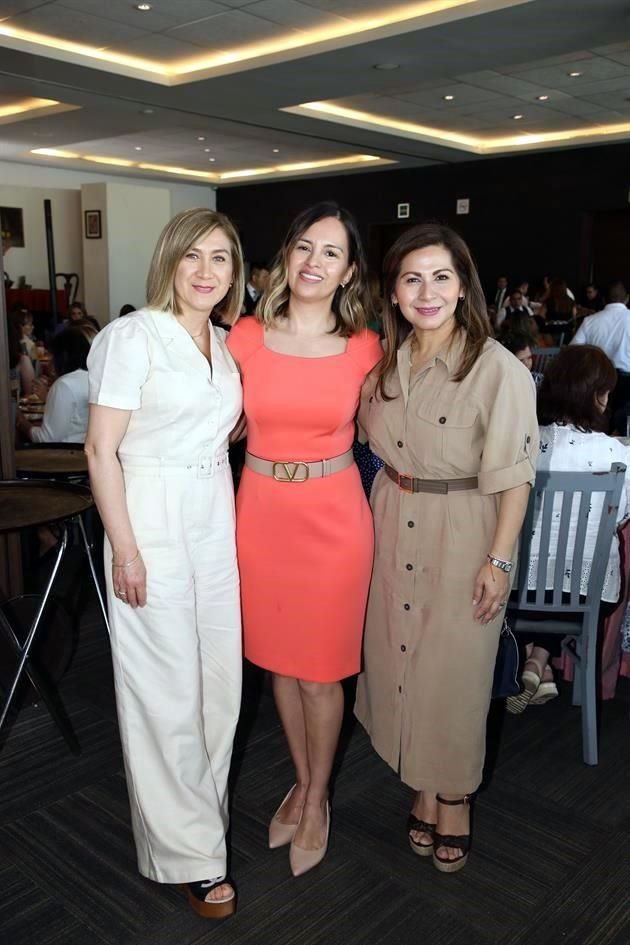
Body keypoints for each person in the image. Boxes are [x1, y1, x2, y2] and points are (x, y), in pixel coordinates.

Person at [354, 223, 538, 874]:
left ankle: (454, 794)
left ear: (463, 287)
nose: (426, 291)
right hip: (391, 516)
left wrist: (499, 559)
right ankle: (422, 781)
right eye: (412, 278)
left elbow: (516, 475)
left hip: (464, 526)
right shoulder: (383, 363)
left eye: (440, 276)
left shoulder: (497, 368)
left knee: (453, 670)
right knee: (402, 660)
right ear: (395, 293)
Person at [84, 208, 245, 919]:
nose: (208, 272)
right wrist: (125, 546)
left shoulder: (225, 342)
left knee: (219, 681)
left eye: (222, 259)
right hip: (149, 510)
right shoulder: (132, 335)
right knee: (164, 688)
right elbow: (99, 450)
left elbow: (223, 424)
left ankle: (201, 818)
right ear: (169, 261)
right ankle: (190, 854)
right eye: (194, 257)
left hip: (214, 508)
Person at [227, 201, 382, 877]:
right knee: (280, 664)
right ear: (286, 256)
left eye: (331, 252)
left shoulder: (365, 347)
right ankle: (300, 775)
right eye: (304, 247)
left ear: (349, 271)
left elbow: (396, 430)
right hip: (260, 512)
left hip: (333, 517)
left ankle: (317, 797)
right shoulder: (247, 336)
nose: (314, 262)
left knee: (321, 672)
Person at [507, 344, 630, 712]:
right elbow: (623, 517)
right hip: (587, 595)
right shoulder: (618, 455)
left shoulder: (519, 443)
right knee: (573, 574)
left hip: (513, 588)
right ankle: (538, 664)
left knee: (537, 575)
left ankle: (533, 659)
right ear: (597, 397)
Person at [17, 329, 90, 443]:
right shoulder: (89, 377)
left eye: (51, 355)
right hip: (83, 450)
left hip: (64, 455)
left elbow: (46, 439)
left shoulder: (64, 384)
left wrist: (21, 421)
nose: (50, 361)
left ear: (62, 356)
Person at [571, 282, 630, 418]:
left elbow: (573, 350)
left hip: (597, 380)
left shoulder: (589, 321)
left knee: (598, 420)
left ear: (604, 299)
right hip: (627, 383)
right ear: (626, 298)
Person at [538, 277, 577, 342]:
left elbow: (539, 318)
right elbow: (574, 318)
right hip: (567, 334)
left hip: (550, 334)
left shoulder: (548, 302)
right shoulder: (571, 302)